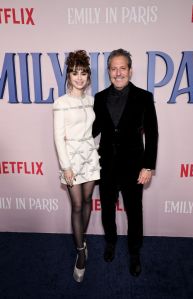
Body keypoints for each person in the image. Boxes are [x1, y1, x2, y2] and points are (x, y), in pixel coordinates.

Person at [92, 49, 158, 277]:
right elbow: (93, 130)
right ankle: (110, 242)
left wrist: (148, 166)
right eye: (113, 68)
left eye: (122, 68)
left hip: (134, 167)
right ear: (108, 71)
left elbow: (152, 133)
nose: (118, 73)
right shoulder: (99, 98)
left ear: (130, 70)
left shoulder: (144, 97)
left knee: (134, 212)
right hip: (106, 166)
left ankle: (134, 251)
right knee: (107, 211)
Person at [53, 50, 100, 282]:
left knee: (88, 200)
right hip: (71, 159)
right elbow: (58, 137)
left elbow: (97, 130)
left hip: (90, 158)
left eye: (83, 73)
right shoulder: (61, 103)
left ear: (88, 76)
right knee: (77, 205)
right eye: (74, 73)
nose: (79, 77)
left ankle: (83, 239)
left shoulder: (92, 101)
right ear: (68, 76)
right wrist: (66, 166)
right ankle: (81, 253)